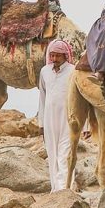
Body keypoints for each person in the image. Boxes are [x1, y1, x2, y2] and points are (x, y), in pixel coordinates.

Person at [38, 39, 75, 191]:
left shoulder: (73, 71)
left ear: (65, 56)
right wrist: (40, 123)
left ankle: (65, 189)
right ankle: (55, 189)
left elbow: (80, 99)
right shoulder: (44, 71)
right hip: (49, 119)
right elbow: (42, 97)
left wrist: (83, 124)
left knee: (64, 154)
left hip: (68, 118)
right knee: (52, 155)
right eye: (51, 55)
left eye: (57, 56)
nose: (54, 59)